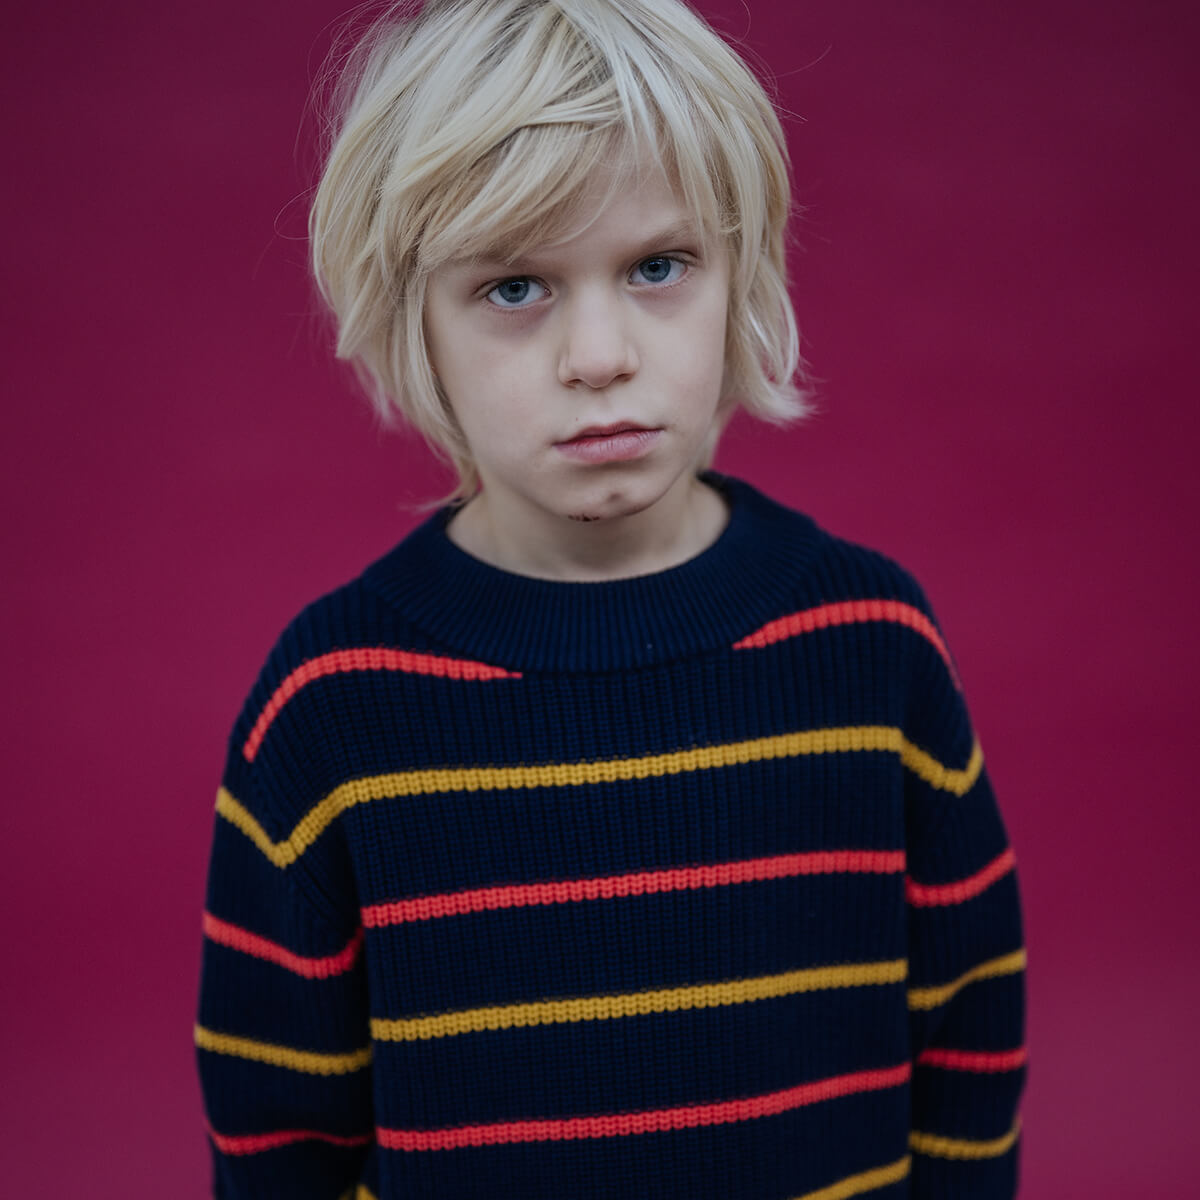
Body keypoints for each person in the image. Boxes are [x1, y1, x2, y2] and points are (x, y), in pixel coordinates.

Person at [194, 1, 1027, 1196]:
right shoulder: (331, 704)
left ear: (742, 273)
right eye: (515, 287)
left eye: (657, 268)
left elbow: (970, 1030)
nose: (599, 354)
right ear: (411, 321)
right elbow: (275, 1128)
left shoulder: (869, 644)